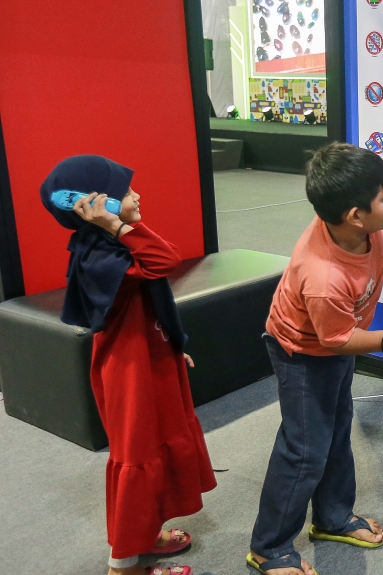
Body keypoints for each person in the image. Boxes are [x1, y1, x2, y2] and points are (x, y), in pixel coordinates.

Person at [247, 143, 383, 575]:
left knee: (337, 428)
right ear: (354, 216)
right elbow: (335, 338)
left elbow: (382, 219)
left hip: (333, 341)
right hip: (303, 352)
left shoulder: (360, 221)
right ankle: (269, 547)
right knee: (304, 448)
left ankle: (331, 517)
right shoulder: (323, 275)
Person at [40, 156, 216, 575]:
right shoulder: (97, 253)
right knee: (137, 457)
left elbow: (156, 290)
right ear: (95, 204)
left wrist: (173, 345)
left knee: (160, 445)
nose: (136, 196)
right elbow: (164, 260)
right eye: (125, 192)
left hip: (152, 357)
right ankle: (123, 565)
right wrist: (118, 224)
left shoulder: (113, 242)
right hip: (129, 370)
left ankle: (147, 533)